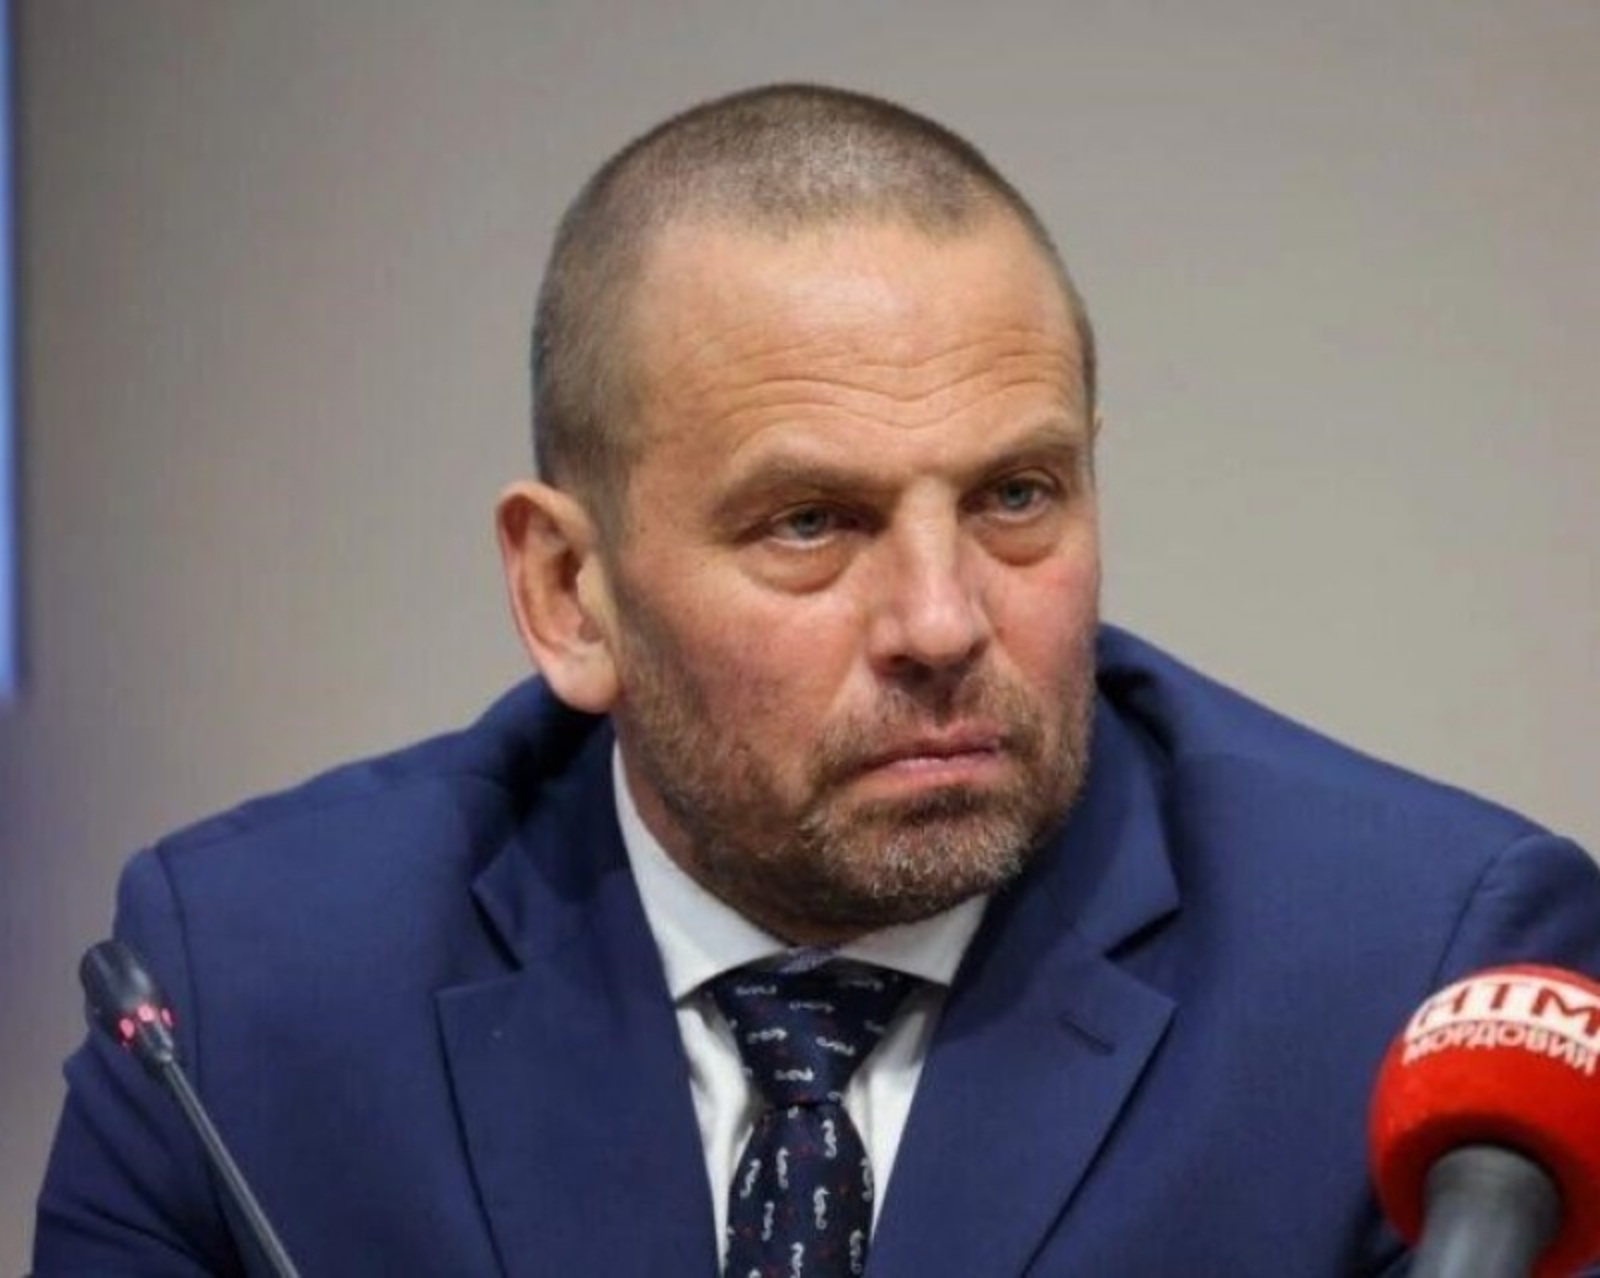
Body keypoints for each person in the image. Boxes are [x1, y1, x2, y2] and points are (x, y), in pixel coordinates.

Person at [33, 84, 1600, 1277]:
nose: (943, 620)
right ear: (569, 591)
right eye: (810, 523)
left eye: (1017, 497)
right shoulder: (243, 1006)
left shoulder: (1413, 980)